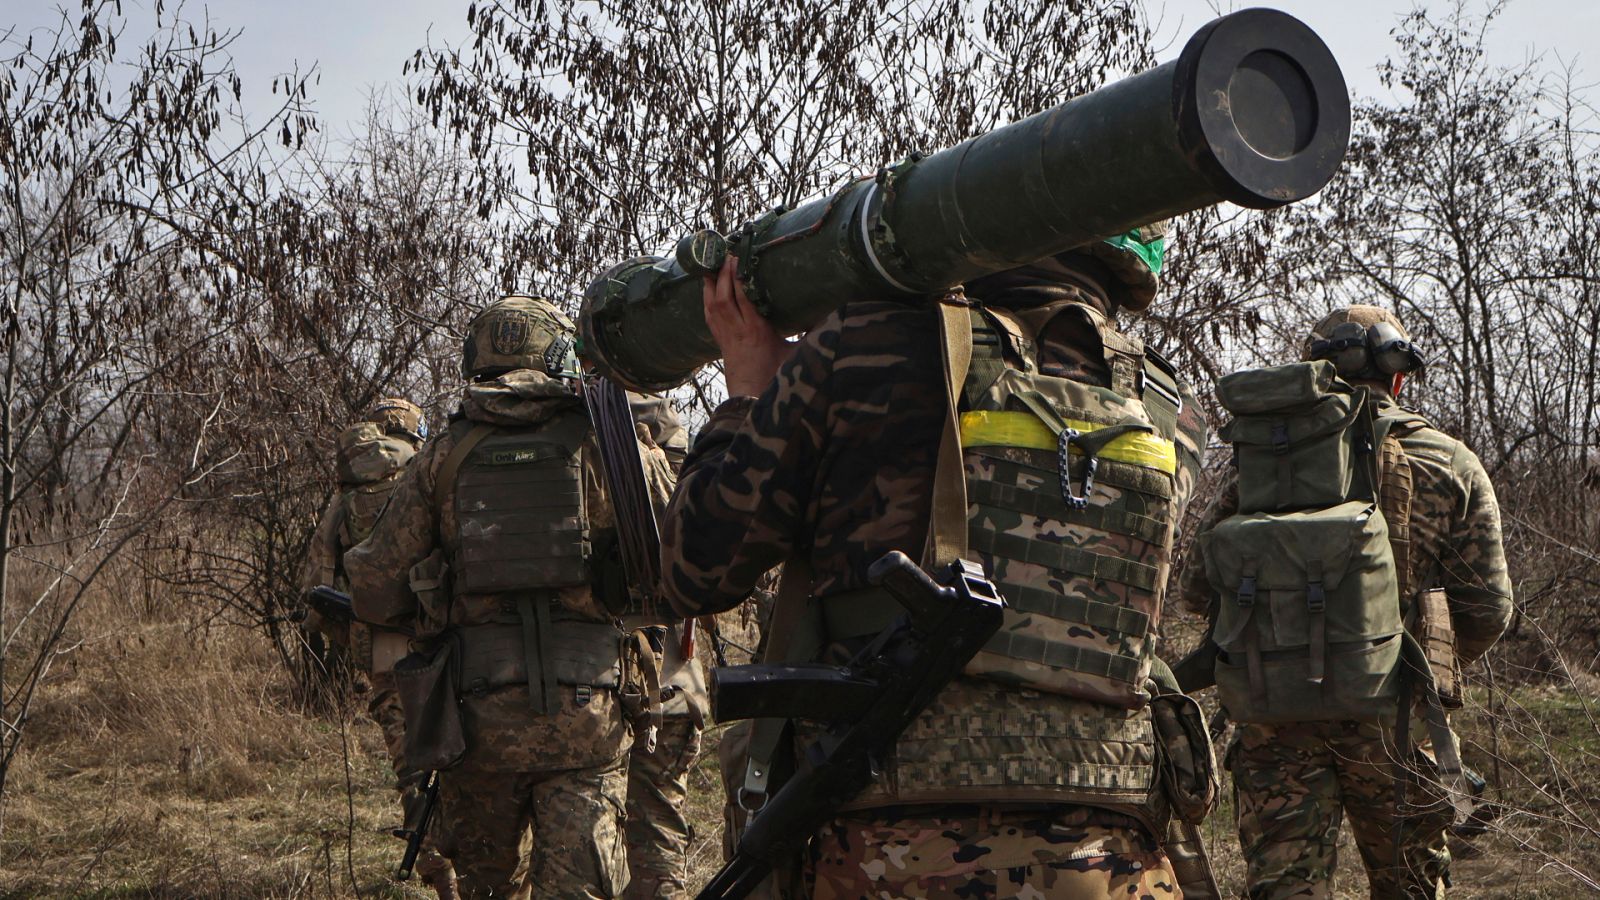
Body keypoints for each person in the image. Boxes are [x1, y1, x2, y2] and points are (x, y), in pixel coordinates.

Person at [660, 223, 1214, 898]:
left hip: (893, 845)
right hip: (1114, 845)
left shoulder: (869, 343)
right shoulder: (1167, 406)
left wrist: (747, 392)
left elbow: (697, 567)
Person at [1176, 305, 1514, 898]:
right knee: (1411, 887)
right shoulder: (1451, 462)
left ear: (1313, 373)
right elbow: (1488, 610)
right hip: (1398, 717)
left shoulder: (1264, 466)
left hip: (1275, 718)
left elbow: (1197, 591)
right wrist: (1411, 653)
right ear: (1399, 378)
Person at [345, 296, 671, 899]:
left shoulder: (443, 455)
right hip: (588, 719)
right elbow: (685, 559)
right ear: (558, 356)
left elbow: (374, 588)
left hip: (476, 722)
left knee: (487, 890)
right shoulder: (613, 445)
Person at [300, 397, 457, 897]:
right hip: (441, 648)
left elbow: (318, 590)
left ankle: (444, 883)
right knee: (460, 763)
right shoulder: (432, 477)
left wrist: (357, 638)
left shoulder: (346, 498)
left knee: (413, 774)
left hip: (384, 660)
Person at [622, 395, 709, 900]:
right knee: (657, 835)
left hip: (607, 685)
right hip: (673, 686)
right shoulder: (690, 490)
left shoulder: (592, 475)